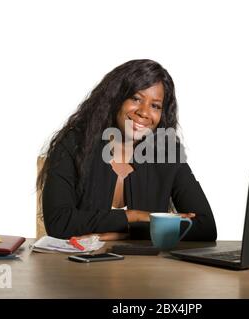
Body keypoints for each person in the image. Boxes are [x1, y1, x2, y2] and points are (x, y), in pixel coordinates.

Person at [37, 59, 217, 241]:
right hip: (79, 266)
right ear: (115, 98)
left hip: (144, 268)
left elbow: (205, 227)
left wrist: (129, 233)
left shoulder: (167, 153)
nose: (144, 112)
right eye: (136, 99)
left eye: (155, 106)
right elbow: (59, 223)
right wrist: (136, 217)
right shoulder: (74, 144)